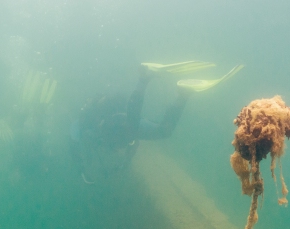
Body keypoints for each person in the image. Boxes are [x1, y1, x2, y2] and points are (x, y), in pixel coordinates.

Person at [70, 61, 242, 183]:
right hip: (128, 125)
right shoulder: (111, 141)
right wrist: (125, 163)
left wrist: (82, 171)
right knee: (164, 132)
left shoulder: (82, 126)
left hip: (117, 121)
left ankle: (143, 78)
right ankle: (183, 95)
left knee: (132, 125)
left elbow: (74, 142)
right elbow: (133, 143)